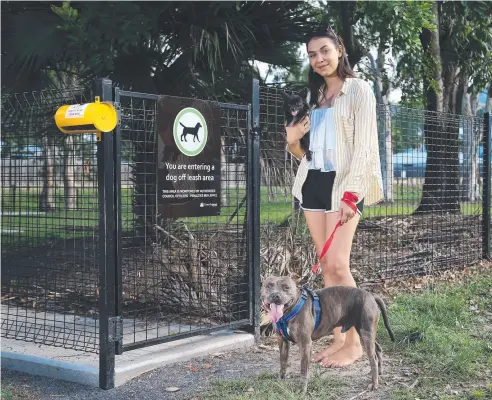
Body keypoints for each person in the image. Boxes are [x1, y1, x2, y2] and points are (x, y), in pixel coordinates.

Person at [285, 26, 384, 368]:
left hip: (344, 187)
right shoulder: (315, 98)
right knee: (326, 264)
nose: (319, 59)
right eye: (312, 55)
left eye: (324, 51)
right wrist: (292, 139)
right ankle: (341, 338)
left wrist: (353, 193)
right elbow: (305, 154)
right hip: (314, 182)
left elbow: (366, 148)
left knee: (339, 263)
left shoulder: (359, 91)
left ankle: (358, 342)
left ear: (340, 49)